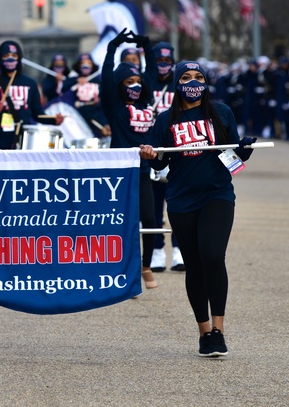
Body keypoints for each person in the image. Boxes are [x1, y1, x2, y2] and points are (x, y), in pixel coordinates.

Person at [139, 60, 257, 357]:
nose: (193, 82)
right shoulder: (165, 120)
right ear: (178, 83)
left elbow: (232, 156)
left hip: (217, 194)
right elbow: (160, 163)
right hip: (180, 199)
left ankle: (219, 330)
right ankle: (204, 332)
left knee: (213, 256)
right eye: (187, 78)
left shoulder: (221, 112)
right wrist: (150, 155)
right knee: (194, 264)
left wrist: (245, 149)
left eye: (199, 77)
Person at [101, 29, 159, 289]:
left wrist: (146, 45)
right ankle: (125, 270)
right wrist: (112, 49)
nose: (135, 85)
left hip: (144, 168)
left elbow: (152, 74)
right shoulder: (114, 105)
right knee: (124, 220)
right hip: (120, 169)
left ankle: (145, 266)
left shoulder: (146, 101)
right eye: (128, 82)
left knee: (150, 219)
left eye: (137, 81)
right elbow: (105, 79)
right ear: (120, 86)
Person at [0, 41, 63, 149]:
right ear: (0, 59)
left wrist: (53, 120)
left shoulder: (30, 83)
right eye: (6, 56)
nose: (10, 59)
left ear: (19, 58)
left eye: (14, 56)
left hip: (23, 140)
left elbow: (37, 114)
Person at [147, 41, 183, 273]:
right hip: (151, 147)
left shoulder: (179, 85)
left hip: (176, 147)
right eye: (159, 61)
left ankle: (179, 250)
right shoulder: (144, 82)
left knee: (179, 204)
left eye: (167, 61)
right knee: (153, 207)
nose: (163, 65)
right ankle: (157, 250)